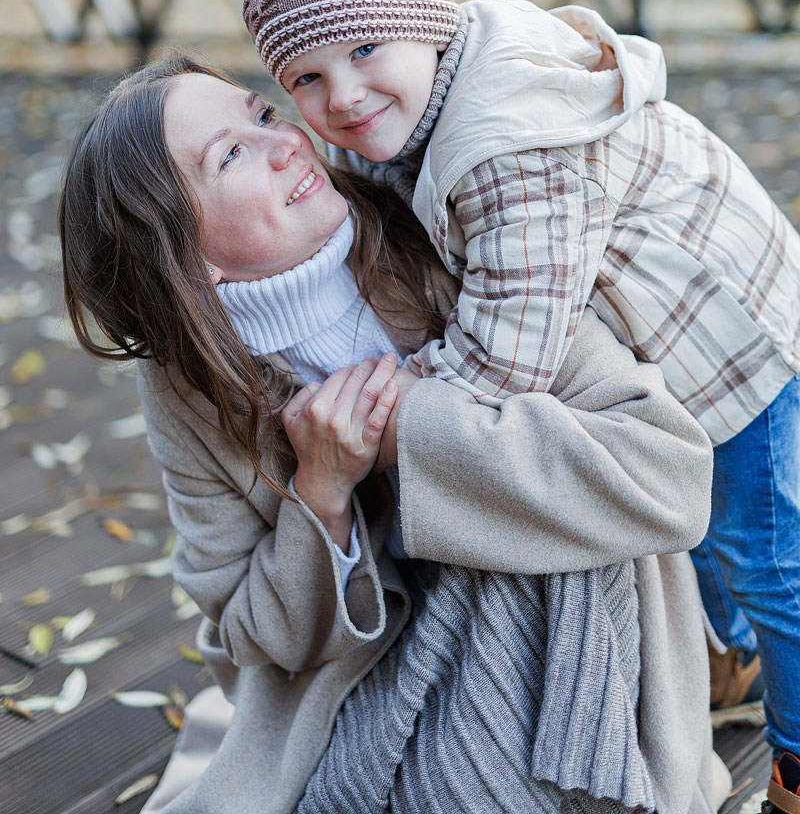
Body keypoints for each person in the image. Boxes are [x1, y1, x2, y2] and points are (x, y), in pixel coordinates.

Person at [233, 0, 800, 812]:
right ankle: (735, 663)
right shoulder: (416, 96)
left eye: (364, 48)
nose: (346, 96)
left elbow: (508, 361)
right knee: (704, 529)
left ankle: (793, 756)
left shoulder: (506, 147)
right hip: (653, 331)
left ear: (421, 14)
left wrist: (389, 411)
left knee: (762, 548)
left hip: (725, 336)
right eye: (304, 80)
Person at [59, 54, 722, 814]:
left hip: (561, 628)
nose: (288, 143)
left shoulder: (449, 237)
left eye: (264, 114)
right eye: (232, 155)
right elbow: (249, 634)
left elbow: (671, 478)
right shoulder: (188, 386)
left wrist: (414, 427)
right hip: (370, 672)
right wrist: (322, 495)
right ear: (188, 260)